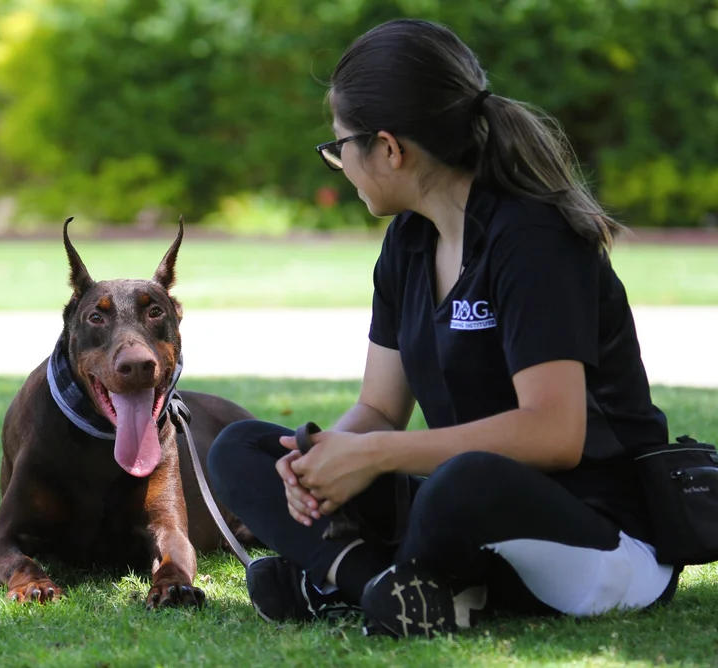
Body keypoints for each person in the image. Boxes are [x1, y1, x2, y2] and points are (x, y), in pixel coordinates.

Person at [206, 18, 681, 640]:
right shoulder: (408, 243)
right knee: (241, 450)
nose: (338, 165)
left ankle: (339, 583)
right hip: (467, 518)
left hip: (602, 540)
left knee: (461, 480)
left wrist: (374, 455)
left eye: (339, 147)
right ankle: (384, 588)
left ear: (388, 148)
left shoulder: (533, 240)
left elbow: (556, 434)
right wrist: (317, 464)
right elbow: (378, 408)